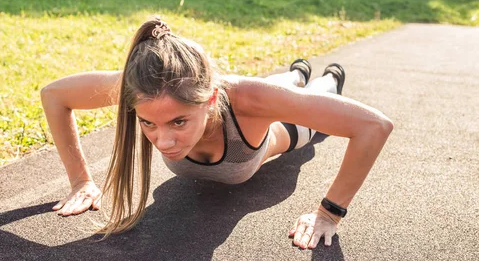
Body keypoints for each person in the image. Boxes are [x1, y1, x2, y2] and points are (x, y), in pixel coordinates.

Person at [40, 16, 393, 250]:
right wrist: (81, 181)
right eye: (148, 123)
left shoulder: (249, 100)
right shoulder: (140, 88)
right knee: (281, 87)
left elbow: (374, 126)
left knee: (305, 106)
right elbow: (53, 95)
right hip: (258, 98)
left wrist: (329, 212)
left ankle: (328, 78)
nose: (163, 141)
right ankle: (297, 74)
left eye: (179, 122)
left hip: (285, 132)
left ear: (210, 99)